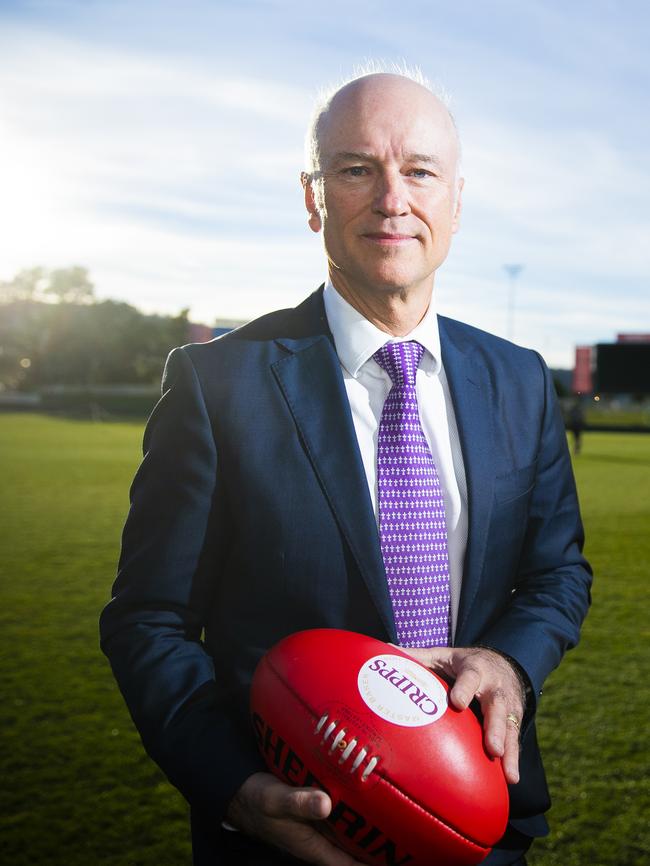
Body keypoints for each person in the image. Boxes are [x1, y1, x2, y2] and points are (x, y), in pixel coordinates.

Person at [100, 69, 592, 866]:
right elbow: (147, 619)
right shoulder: (216, 384)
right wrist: (232, 784)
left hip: (477, 826)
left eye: (420, 171)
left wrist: (508, 661)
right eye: (357, 168)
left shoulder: (519, 379)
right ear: (312, 197)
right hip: (290, 832)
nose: (393, 197)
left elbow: (557, 574)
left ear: (456, 202)